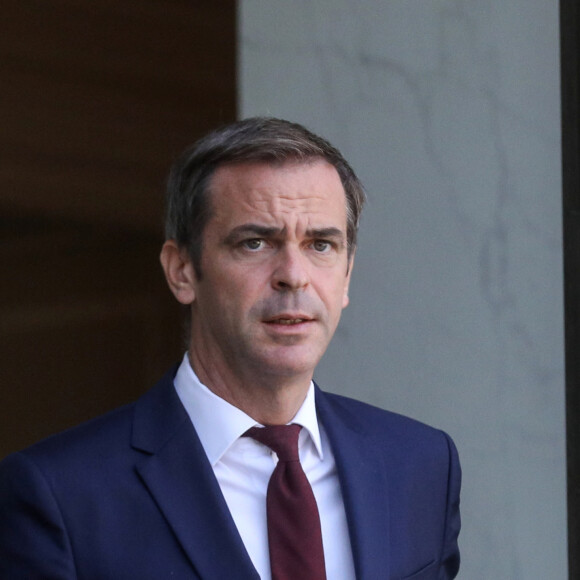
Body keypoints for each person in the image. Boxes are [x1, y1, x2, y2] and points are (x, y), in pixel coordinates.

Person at [0, 117, 461, 579]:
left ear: (347, 274)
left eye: (320, 244)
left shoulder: (420, 465)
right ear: (181, 270)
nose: (293, 275)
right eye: (256, 242)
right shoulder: (60, 494)